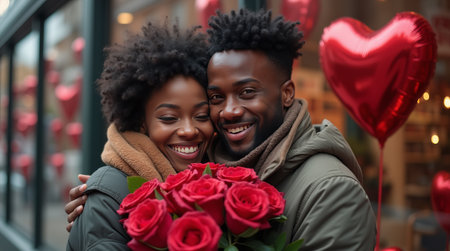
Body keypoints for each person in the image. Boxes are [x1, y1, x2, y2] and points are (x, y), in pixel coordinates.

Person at [66, 9, 377, 250]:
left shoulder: (330, 190)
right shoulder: (212, 163)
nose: (229, 110)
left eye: (247, 92)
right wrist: (104, 198)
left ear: (287, 93)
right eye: (216, 97)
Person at [66, 21, 213, 250]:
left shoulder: (215, 175)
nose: (189, 130)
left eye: (202, 116)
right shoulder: (108, 197)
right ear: (142, 123)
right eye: (169, 118)